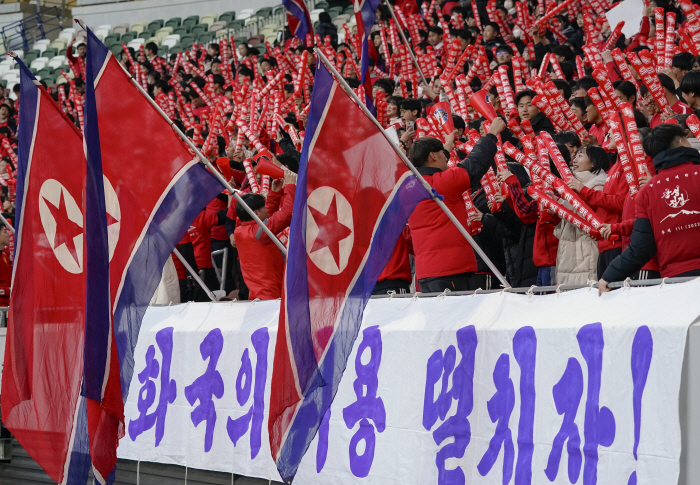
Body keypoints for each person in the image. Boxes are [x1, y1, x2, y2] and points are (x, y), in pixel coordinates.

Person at [407, 117, 505, 292]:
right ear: (433, 156)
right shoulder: (440, 183)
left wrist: (446, 147)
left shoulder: (410, 188)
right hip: (451, 269)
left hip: (426, 272)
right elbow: (473, 166)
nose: (447, 160)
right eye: (442, 155)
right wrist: (491, 135)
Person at [600, 124, 700, 292]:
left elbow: (642, 245)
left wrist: (610, 275)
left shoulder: (647, 191)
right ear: (682, 142)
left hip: (676, 281)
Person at [234, 169, 297, 300]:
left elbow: (265, 219)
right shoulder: (260, 232)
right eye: (264, 207)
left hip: (257, 292)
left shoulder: (239, 231)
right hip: (272, 293)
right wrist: (290, 186)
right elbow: (287, 213)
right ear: (255, 213)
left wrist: (274, 193)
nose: (267, 208)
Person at [554, 146, 609, 285]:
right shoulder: (572, 185)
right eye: (575, 155)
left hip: (587, 250)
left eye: (581, 156)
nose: (574, 159)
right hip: (569, 250)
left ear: (594, 162)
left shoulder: (600, 184)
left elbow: (596, 217)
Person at [0, 215, 10, 306]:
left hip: (8, 307)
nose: (9, 234)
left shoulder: (5, 257)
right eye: (5, 232)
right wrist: (9, 290)